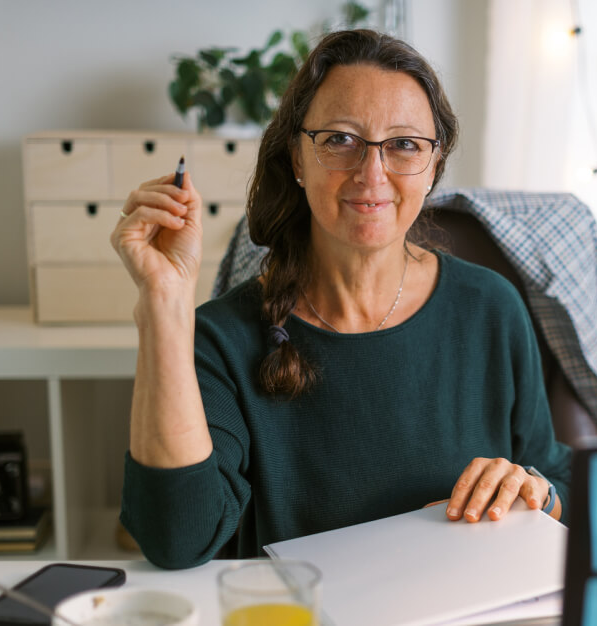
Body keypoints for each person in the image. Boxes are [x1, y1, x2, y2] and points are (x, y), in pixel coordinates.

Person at [111, 28, 571, 570]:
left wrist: (534, 491)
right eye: (339, 139)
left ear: (433, 167)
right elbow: (175, 540)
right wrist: (164, 302)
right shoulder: (222, 338)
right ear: (298, 160)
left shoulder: (491, 307)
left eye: (403, 144)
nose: (370, 174)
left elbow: (553, 476)